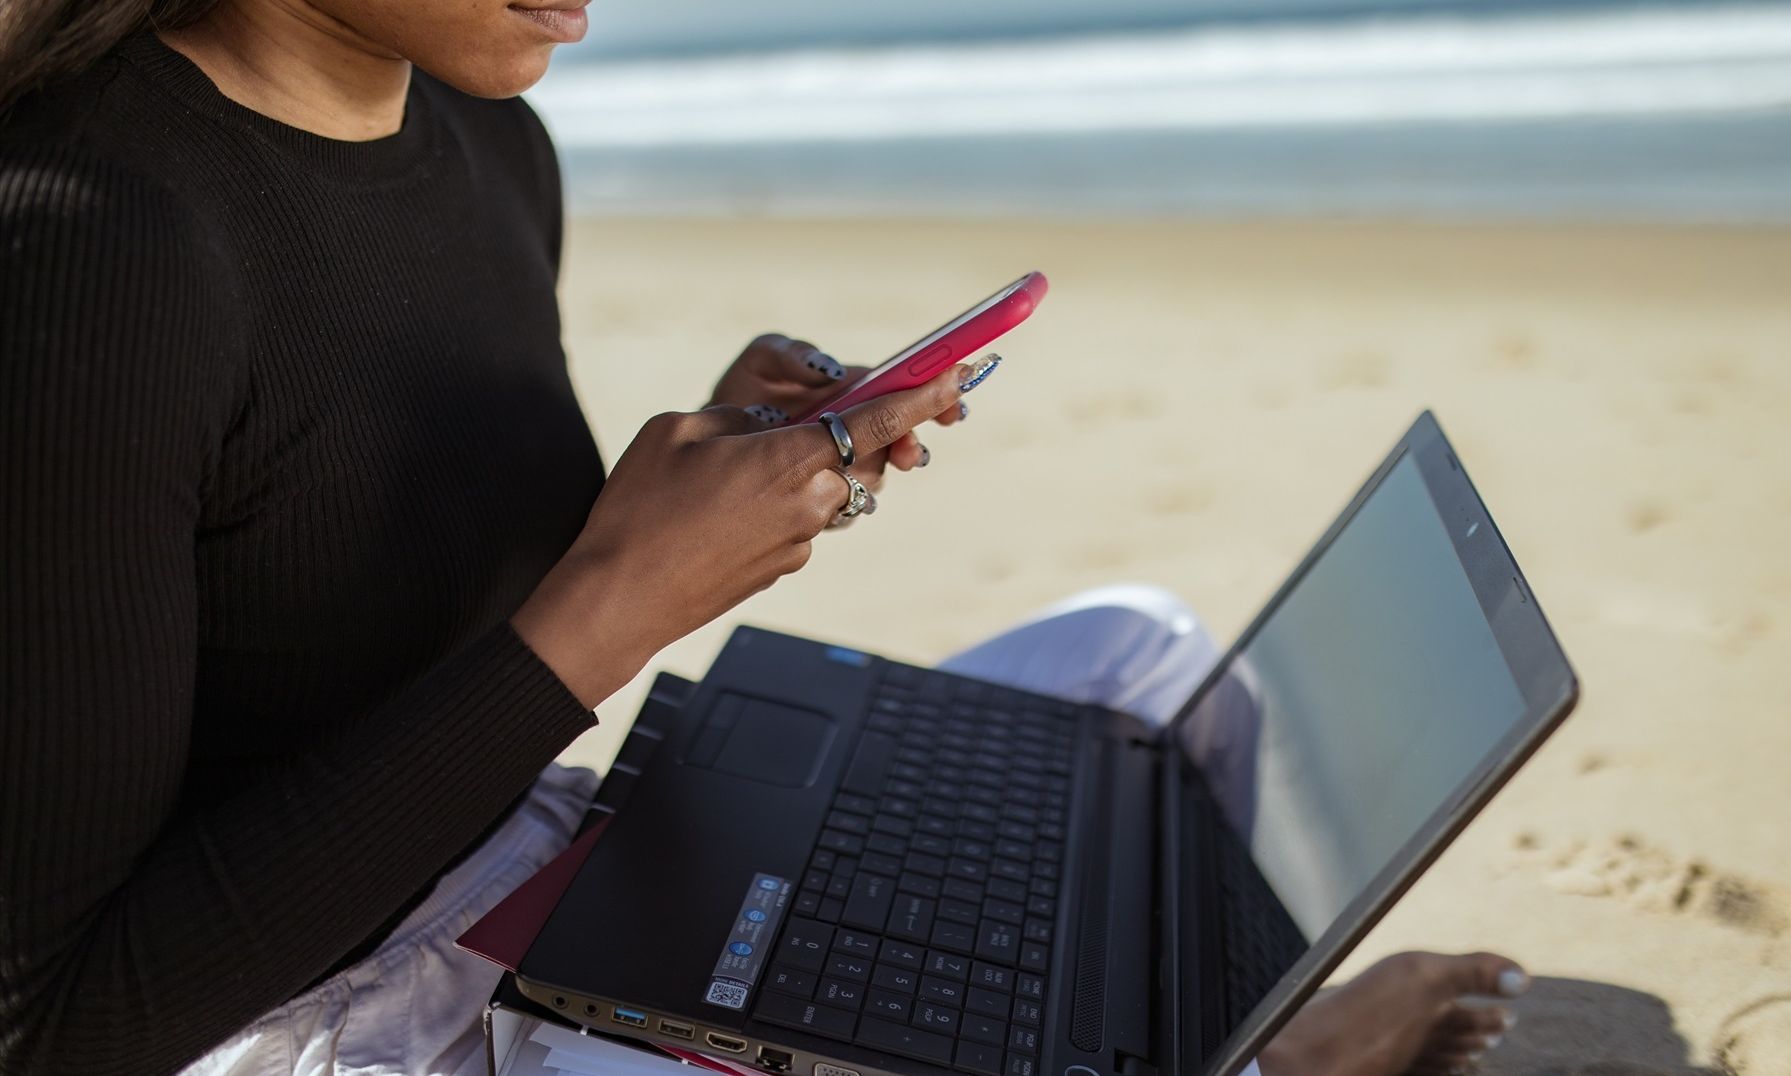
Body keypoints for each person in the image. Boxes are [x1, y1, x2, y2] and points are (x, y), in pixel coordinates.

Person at [0, 1, 1523, 1073]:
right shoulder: (88, 244)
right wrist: (615, 606)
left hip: (518, 863)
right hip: (297, 1004)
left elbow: (338, 575)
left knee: (1145, 649)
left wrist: (693, 482)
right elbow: (55, 1022)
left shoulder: (486, 137)